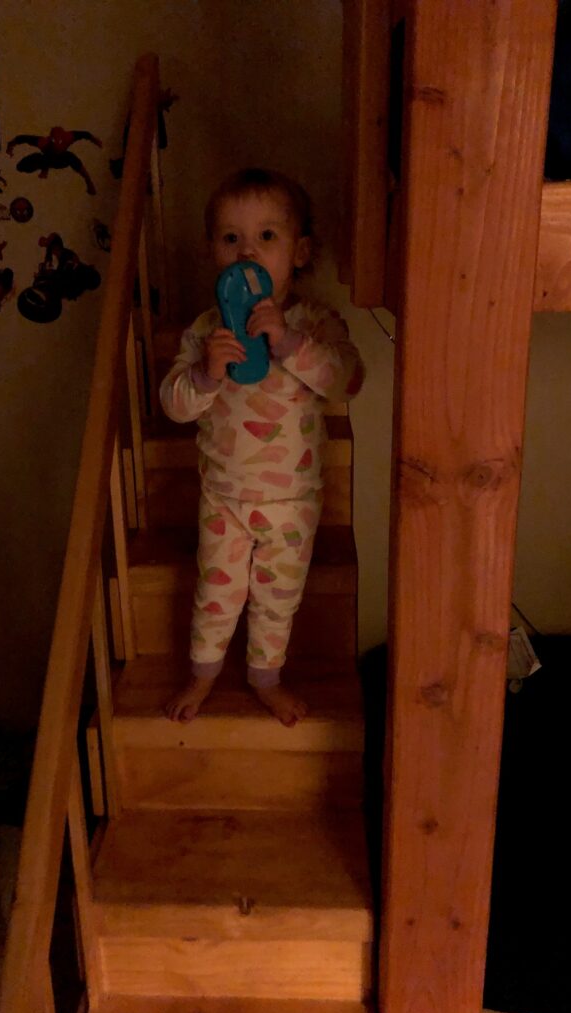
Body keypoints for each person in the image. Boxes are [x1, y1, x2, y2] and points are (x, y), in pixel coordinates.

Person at [159, 168, 364, 727]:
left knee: (277, 598)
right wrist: (204, 375)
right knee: (216, 594)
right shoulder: (206, 332)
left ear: (299, 252)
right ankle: (202, 674)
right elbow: (173, 403)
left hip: (291, 501)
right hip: (224, 496)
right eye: (231, 239)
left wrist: (290, 343)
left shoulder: (314, 323)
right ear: (212, 253)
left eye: (266, 237)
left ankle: (265, 677)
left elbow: (347, 378)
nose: (246, 251)